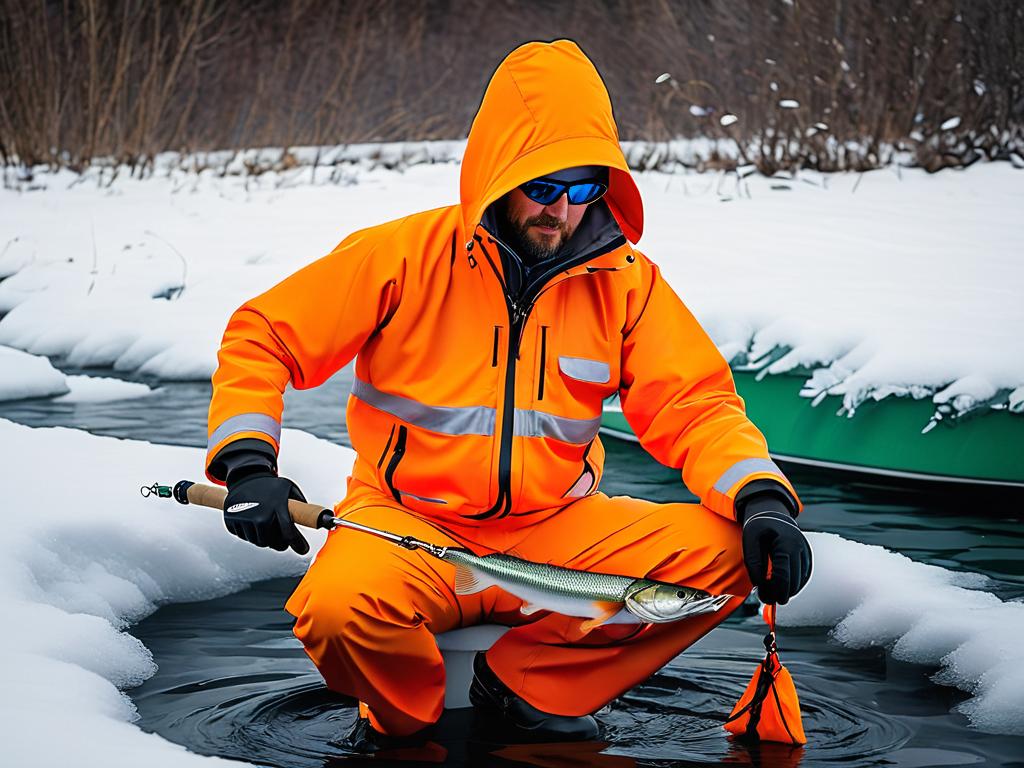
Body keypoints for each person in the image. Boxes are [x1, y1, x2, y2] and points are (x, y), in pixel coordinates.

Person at [205, 39, 812, 752]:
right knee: (336, 610)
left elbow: (696, 405)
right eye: (544, 187)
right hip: (409, 526)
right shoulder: (401, 255)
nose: (563, 210)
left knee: (730, 553)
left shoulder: (627, 281)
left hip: (558, 530)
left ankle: (531, 686)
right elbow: (262, 336)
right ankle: (407, 725)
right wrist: (249, 465)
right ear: (500, 174)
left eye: (584, 190)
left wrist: (762, 500)